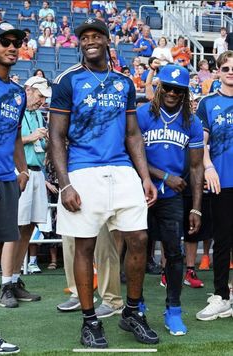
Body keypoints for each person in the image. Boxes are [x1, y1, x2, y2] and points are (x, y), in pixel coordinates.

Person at [49, 18, 158, 349]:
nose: (90, 41)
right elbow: (56, 135)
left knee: (138, 238)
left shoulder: (124, 82)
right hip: (83, 171)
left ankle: (132, 312)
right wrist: (65, 184)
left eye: (97, 36)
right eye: (85, 38)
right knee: (84, 245)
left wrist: (144, 176)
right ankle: (89, 320)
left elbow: (133, 134)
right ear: (79, 44)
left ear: (109, 42)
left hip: (122, 169)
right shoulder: (68, 81)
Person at [136, 64, 204, 335]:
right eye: (168, 87)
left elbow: (197, 168)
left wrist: (197, 208)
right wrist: (164, 176)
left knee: (173, 254)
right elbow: (133, 153)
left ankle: (173, 310)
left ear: (186, 93)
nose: (172, 93)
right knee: (137, 250)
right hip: (141, 192)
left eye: (179, 89)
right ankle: (136, 304)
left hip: (173, 197)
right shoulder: (142, 114)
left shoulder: (192, 121)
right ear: (159, 87)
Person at [0, 20, 28, 353]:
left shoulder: (18, 93)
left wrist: (23, 169)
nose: (11, 47)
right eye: (4, 41)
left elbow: (16, 135)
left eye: (15, 43)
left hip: (6, 179)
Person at [196, 50, 233, 321]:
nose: (231, 71)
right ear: (217, 71)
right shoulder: (208, 103)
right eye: (226, 67)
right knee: (222, 240)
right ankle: (222, 296)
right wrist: (208, 167)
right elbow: (202, 142)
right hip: (222, 180)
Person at [11, 76, 51, 295]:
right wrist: (32, 137)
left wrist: (43, 141)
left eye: (44, 97)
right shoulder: (17, 111)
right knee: (16, 227)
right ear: (28, 90)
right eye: (39, 95)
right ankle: (8, 279)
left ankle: (15, 278)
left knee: (29, 226)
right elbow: (11, 140)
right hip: (21, 172)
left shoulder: (38, 115)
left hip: (37, 172)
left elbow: (39, 144)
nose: (42, 101)